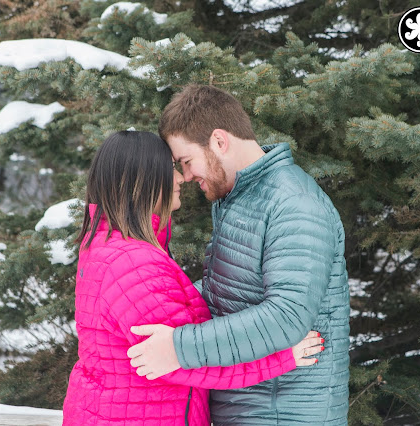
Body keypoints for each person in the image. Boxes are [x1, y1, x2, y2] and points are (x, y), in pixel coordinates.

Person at [62, 130, 324, 426]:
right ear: (141, 180)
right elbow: (184, 361)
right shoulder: (132, 261)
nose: (180, 179)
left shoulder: (105, 244)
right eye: (170, 169)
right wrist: (282, 358)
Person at [127, 85, 350, 424]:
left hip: (285, 412)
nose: (185, 177)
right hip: (250, 405)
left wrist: (178, 346)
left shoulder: (294, 203)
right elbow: (228, 294)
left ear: (219, 141)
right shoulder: (239, 197)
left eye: (187, 161)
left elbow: (286, 317)